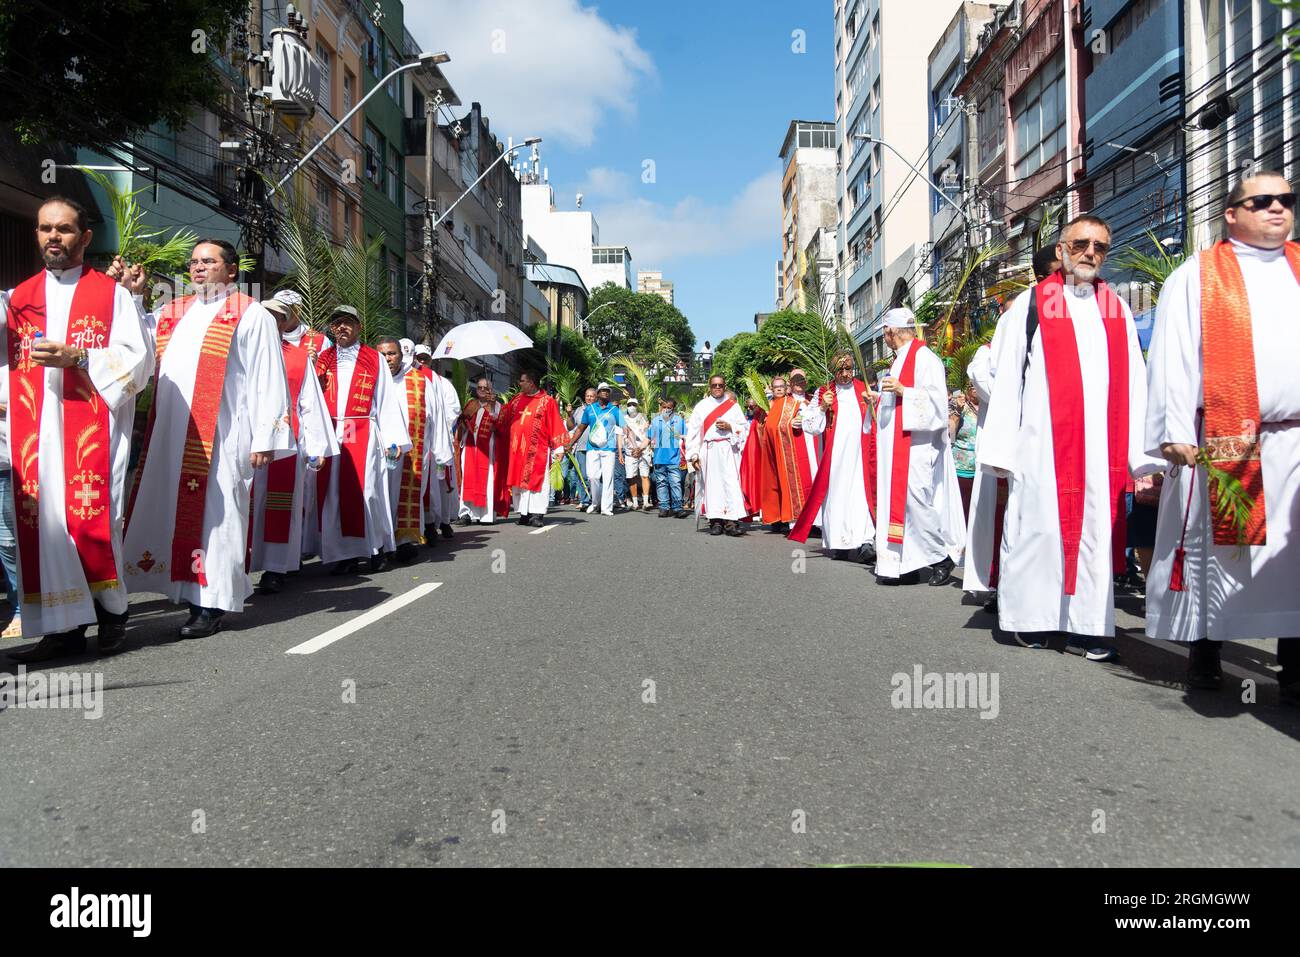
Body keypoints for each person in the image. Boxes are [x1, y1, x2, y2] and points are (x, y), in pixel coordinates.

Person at [1145, 171, 1300, 700]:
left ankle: (1295, 666)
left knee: (1294, 555)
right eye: (1262, 201)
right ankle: (1205, 653)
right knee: (1222, 555)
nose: (1277, 209)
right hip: (1228, 438)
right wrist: (1171, 430)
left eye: (1286, 199)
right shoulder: (1199, 275)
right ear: (1232, 214)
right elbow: (1173, 357)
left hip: (1297, 441)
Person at [979, 214, 1161, 659]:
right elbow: (1006, 382)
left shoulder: (1116, 307)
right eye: (1080, 244)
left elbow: (1136, 383)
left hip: (1099, 450)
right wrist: (1003, 447)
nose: (1090, 254)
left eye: (1100, 246)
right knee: (1037, 531)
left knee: (1095, 534)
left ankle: (1088, 628)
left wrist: (1144, 461)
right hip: (1039, 445)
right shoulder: (1031, 305)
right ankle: (1033, 621)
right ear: (1061, 250)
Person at [2, 197, 152, 661]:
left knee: (91, 523)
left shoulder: (112, 296)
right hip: (34, 436)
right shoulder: (18, 299)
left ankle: (111, 615)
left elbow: (139, 361)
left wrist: (79, 357)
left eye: (64, 229)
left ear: (84, 238)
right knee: (45, 529)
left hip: (91, 430)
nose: (53, 237)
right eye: (45, 228)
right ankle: (61, 628)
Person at [122, 238, 291, 639]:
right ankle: (181, 588)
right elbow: (137, 347)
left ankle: (210, 602)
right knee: (168, 512)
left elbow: (268, 376)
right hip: (170, 434)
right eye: (194, 262)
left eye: (208, 262)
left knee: (218, 518)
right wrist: (132, 296)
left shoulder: (250, 314)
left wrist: (265, 436)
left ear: (231, 271)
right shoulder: (172, 311)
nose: (198, 268)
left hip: (223, 433)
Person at [248, 294, 337, 594]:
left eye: (277, 317)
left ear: (285, 323)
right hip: (243, 441)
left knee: (280, 504)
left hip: (285, 442)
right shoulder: (241, 351)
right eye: (266, 316)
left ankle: (276, 568)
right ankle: (236, 565)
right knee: (243, 504)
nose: (271, 322)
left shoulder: (299, 358)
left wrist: (315, 447)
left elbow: (309, 404)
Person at [872, 309, 966, 586]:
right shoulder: (898, 360)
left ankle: (940, 557)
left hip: (917, 446)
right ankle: (905, 563)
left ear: (891, 331)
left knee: (915, 501)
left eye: (884, 332)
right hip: (897, 446)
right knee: (901, 504)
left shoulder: (926, 359)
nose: (884, 337)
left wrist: (905, 392)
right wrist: (877, 399)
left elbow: (938, 403)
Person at [313, 307, 410, 574]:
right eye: (336, 323)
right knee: (332, 494)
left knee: (367, 493)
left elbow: (386, 401)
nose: (341, 327)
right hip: (331, 430)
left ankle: (375, 548)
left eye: (347, 323)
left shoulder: (373, 358)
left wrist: (394, 440)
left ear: (358, 327)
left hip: (362, 431)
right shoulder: (323, 359)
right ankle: (344, 553)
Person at [790, 353, 875, 561]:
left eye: (849, 369)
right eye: (841, 370)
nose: (845, 374)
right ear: (833, 370)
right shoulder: (823, 392)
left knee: (861, 496)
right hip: (835, 458)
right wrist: (822, 407)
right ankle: (839, 542)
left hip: (860, 456)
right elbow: (810, 426)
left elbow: (877, 419)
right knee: (837, 497)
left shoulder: (863, 389)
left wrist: (873, 404)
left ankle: (867, 541)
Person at [377, 336, 452, 563]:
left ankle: (403, 541)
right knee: (378, 495)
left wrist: (442, 453)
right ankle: (379, 542)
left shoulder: (420, 381)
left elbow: (437, 417)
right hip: (377, 451)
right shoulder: (370, 378)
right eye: (382, 354)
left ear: (402, 356)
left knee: (404, 495)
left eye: (392, 354)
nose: (387, 359)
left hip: (412, 452)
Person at [502, 370, 567, 526]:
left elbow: (555, 424)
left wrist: (559, 449)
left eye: (522, 381)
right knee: (519, 483)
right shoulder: (517, 400)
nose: (520, 383)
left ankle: (537, 515)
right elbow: (504, 416)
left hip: (537, 451)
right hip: (518, 450)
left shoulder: (547, 401)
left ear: (531, 382)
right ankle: (524, 513)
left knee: (538, 482)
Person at [686, 375, 748, 536]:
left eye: (720, 385)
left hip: (728, 449)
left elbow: (744, 428)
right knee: (712, 486)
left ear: (725, 386)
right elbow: (693, 432)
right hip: (709, 449)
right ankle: (715, 521)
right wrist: (693, 455)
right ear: (710, 387)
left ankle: (731, 522)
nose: (717, 387)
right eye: (714, 385)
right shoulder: (701, 406)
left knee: (730, 484)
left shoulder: (733, 406)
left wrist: (730, 426)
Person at [762, 375, 816, 534]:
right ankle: (788, 520)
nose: (779, 389)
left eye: (781, 386)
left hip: (804, 449)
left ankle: (809, 521)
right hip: (782, 450)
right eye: (776, 387)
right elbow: (768, 427)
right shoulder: (776, 405)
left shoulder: (805, 402)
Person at [418, 358, 462, 540]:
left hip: (440, 442)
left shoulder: (441, 382)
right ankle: (426, 523)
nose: (421, 361)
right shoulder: (408, 378)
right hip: (420, 442)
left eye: (424, 358)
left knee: (442, 483)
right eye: (418, 358)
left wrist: (440, 427)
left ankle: (444, 522)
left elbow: (454, 409)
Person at [457, 376, 509, 524]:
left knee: (486, 480)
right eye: (479, 387)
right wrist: (463, 422)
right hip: (469, 447)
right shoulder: (471, 404)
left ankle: (485, 514)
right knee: (468, 478)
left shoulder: (497, 406)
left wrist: (492, 411)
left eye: (485, 388)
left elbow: (503, 426)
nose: (482, 390)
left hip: (488, 449)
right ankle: (465, 514)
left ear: (490, 390)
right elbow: (461, 423)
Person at [568, 382, 624, 516]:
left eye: (607, 391)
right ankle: (595, 503)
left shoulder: (615, 410)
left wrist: (633, 446)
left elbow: (623, 428)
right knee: (592, 476)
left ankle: (606, 508)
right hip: (592, 447)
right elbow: (580, 428)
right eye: (602, 390)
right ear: (598, 394)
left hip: (609, 448)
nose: (605, 392)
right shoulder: (590, 409)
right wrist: (570, 444)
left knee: (608, 477)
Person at [649, 398, 687, 517]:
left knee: (675, 482)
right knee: (661, 483)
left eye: (669, 407)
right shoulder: (655, 421)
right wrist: (639, 449)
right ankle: (664, 507)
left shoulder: (679, 421)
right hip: (659, 458)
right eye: (664, 407)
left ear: (673, 409)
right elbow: (648, 437)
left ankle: (677, 507)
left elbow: (687, 437)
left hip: (674, 458)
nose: (666, 409)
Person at [949, 386, 979, 517]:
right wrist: (958, 412)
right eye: (971, 385)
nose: (974, 387)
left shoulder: (989, 408)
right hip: (962, 469)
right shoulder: (961, 407)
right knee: (962, 511)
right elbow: (950, 434)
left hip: (982, 470)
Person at [567, 387, 596, 509]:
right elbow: (570, 427)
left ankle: (595, 500)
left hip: (595, 447)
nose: (589, 398)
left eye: (591, 396)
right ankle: (585, 501)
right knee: (582, 475)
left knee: (593, 475)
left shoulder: (598, 410)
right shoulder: (579, 410)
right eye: (587, 395)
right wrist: (569, 414)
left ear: (596, 397)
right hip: (581, 447)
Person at [623, 398, 652, 509]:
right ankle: (635, 502)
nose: (631, 406)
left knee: (645, 475)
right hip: (630, 452)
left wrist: (641, 448)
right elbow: (621, 435)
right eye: (629, 404)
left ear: (637, 405)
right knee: (632, 477)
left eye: (634, 404)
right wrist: (621, 452)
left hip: (643, 450)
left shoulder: (644, 417)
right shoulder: (624, 419)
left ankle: (645, 502)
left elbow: (648, 434)